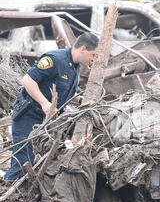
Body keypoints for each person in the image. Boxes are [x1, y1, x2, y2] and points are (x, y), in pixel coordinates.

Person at [4, 32, 99, 183]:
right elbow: (28, 80)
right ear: (83, 49)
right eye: (93, 55)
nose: (93, 60)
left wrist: (83, 100)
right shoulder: (55, 59)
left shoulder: (75, 67)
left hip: (47, 122)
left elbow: (66, 95)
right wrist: (44, 103)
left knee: (41, 165)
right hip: (28, 117)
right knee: (22, 164)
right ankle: (6, 201)